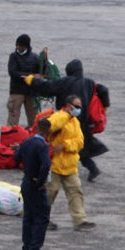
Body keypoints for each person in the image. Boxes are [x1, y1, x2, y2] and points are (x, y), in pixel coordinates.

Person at [26, 59, 110, 182]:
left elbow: (47, 86)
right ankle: (92, 168)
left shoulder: (65, 82)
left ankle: (55, 169)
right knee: (81, 145)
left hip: (66, 119)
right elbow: (103, 90)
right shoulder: (89, 83)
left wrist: (31, 80)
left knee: (59, 143)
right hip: (84, 120)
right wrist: (105, 106)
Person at [45, 95, 96, 232]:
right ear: (68, 106)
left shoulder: (75, 122)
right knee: (50, 192)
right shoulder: (58, 117)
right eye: (76, 106)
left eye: (80, 107)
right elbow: (50, 127)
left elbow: (80, 142)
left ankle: (80, 220)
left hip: (70, 165)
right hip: (54, 164)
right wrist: (65, 115)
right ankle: (43, 219)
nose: (79, 109)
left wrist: (65, 145)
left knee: (75, 192)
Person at [17, 118, 53, 250]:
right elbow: (45, 165)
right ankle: (35, 249)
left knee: (28, 216)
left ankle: (26, 247)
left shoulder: (27, 142)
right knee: (42, 216)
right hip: (35, 184)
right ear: (48, 131)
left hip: (26, 181)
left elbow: (16, 156)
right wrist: (40, 182)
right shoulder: (43, 146)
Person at [7, 34, 42, 127]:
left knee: (33, 118)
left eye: (21, 46)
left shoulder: (35, 57)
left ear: (26, 46)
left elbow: (40, 72)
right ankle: (10, 136)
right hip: (17, 91)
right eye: (17, 45)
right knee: (13, 116)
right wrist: (28, 76)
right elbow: (12, 72)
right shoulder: (13, 56)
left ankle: (33, 137)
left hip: (31, 92)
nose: (18, 48)